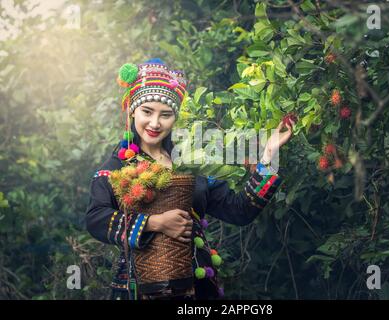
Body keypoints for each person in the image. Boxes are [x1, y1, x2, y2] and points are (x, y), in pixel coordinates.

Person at [85, 58, 294, 300]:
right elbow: (95, 218)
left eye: (165, 114)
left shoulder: (190, 163)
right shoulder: (116, 167)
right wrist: (155, 222)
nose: (155, 123)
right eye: (147, 112)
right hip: (138, 289)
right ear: (132, 110)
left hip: (197, 288)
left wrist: (269, 154)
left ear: (175, 118)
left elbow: (240, 211)